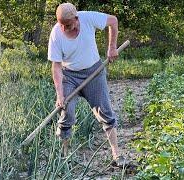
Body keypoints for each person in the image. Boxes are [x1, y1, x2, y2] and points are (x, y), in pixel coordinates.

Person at [48, 2, 125, 166]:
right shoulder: (56, 34)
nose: (64, 29)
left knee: (105, 112)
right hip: (69, 76)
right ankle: (64, 158)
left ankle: (117, 156)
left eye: (68, 25)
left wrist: (112, 47)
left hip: (94, 72)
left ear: (76, 18)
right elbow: (56, 67)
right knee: (66, 112)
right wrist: (60, 95)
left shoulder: (88, 18)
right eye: (61, 25)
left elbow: (113, 21)